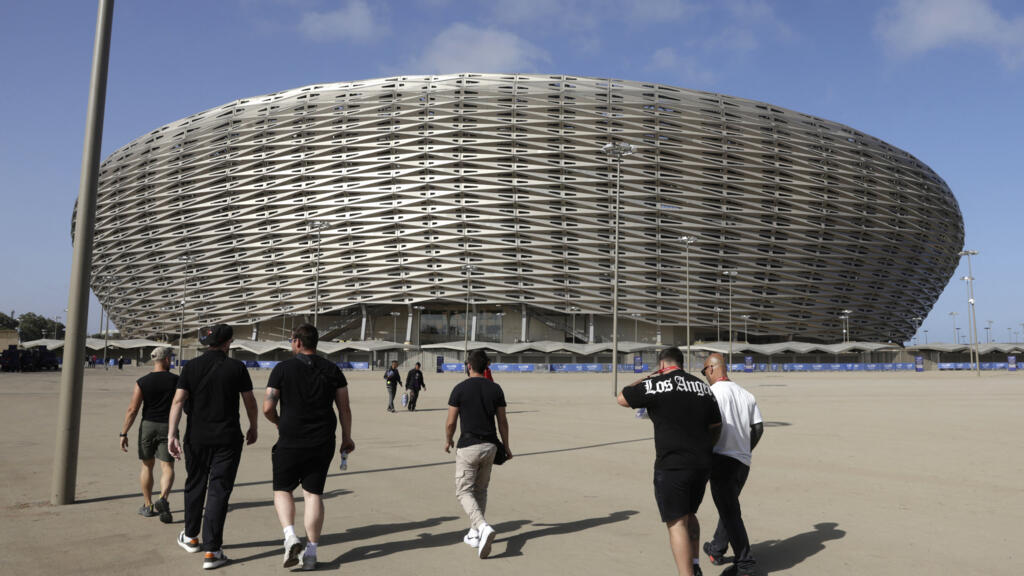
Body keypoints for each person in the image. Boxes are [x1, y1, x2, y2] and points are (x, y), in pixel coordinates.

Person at [617, 347, 722, 576]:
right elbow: (716, 425)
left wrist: (649, 377)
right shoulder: (702, 387)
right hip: (702, 463)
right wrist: (706, 448)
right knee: (691, 514)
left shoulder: (657, 383)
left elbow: (622, 398)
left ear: (662, 364)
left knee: (677, 523)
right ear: (682, 363)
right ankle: (694, 564)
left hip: (673, 465)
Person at [263, 324, 355, 571]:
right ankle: (311, 554)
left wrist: (280, 423)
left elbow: (268, 408)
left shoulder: (282, 369)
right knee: (313, 494)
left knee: (283, 489)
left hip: (290, 437)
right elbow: (344, 408)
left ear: (297, 342)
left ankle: (290, 536)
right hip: (323, 439)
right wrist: (347, 438)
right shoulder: (332, 370)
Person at [168, 324, 258, 570]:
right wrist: (254, 426)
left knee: (195, 484)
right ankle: (212, 551)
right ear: (228, 342)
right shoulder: (236, 367)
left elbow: (178, 401)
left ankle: (190, 536)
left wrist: (171, 434)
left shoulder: (191, 366)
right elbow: (249, 401)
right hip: (227, 438)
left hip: (196, 438)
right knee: (219, 490)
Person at [701, 353, 764, 576]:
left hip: (721, 459)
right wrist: (745, 449)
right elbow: (758, 428)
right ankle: (716, 549)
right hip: (742, 462)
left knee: (730, 512)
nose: (704, 376)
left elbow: (706, 427)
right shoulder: (746, 394)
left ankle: (745, 564)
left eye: (703, 371)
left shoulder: (711, 393)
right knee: (728, 506)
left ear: (711, 369)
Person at [444, 350, 511, 559]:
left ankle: (482, 527)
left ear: (469, 366)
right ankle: (474, 534)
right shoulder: (496, 388)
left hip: (469, 446)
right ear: (486, 367)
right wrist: (506, 447)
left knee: (463, 491)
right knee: (481, 490)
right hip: (490, 446)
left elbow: (451, 422)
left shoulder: (460, 389)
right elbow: (502, 422)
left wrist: (448, 440)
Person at [119, 346, 178, 523]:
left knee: (147, 466)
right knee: (167, 467)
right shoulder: (177, 380)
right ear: (167, 359)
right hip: (168, 426)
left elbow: (132, 409)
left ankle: (148, 505)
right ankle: (164, 499)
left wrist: (123, 433)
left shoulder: (142, 381)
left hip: (148, 426)